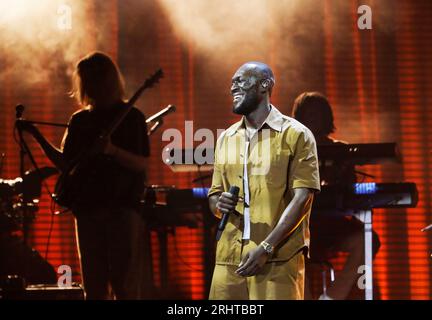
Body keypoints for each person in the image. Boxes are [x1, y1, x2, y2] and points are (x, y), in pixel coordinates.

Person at [17, 52, 152, 299]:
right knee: (94, 286)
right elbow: (66, 163)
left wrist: (112, 150)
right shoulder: (79, 120)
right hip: (88, 210)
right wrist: (35, 134)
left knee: (125, 286)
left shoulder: (132, 117)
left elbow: (141, 163)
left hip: (121, 209)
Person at [207, 62, 321, 300]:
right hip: (228, 260)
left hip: (276, 257)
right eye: (232, 82)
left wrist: (266, 248)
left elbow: (303, 198)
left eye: (241, 80)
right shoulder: (226, 138)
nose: (233, 87)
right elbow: (214, 195)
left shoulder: (296, 134)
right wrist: (220, 203)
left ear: (265, 85)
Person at [292, 92, 381, 300]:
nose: (314, 118)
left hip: (334, 227)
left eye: (318, 113)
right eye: (309, 113)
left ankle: (332, 297)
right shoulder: (289, 150)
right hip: (299, 227)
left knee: (368, 239)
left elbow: (350, 191)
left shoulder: (341, 151)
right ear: (299, 117)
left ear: (327, 118)